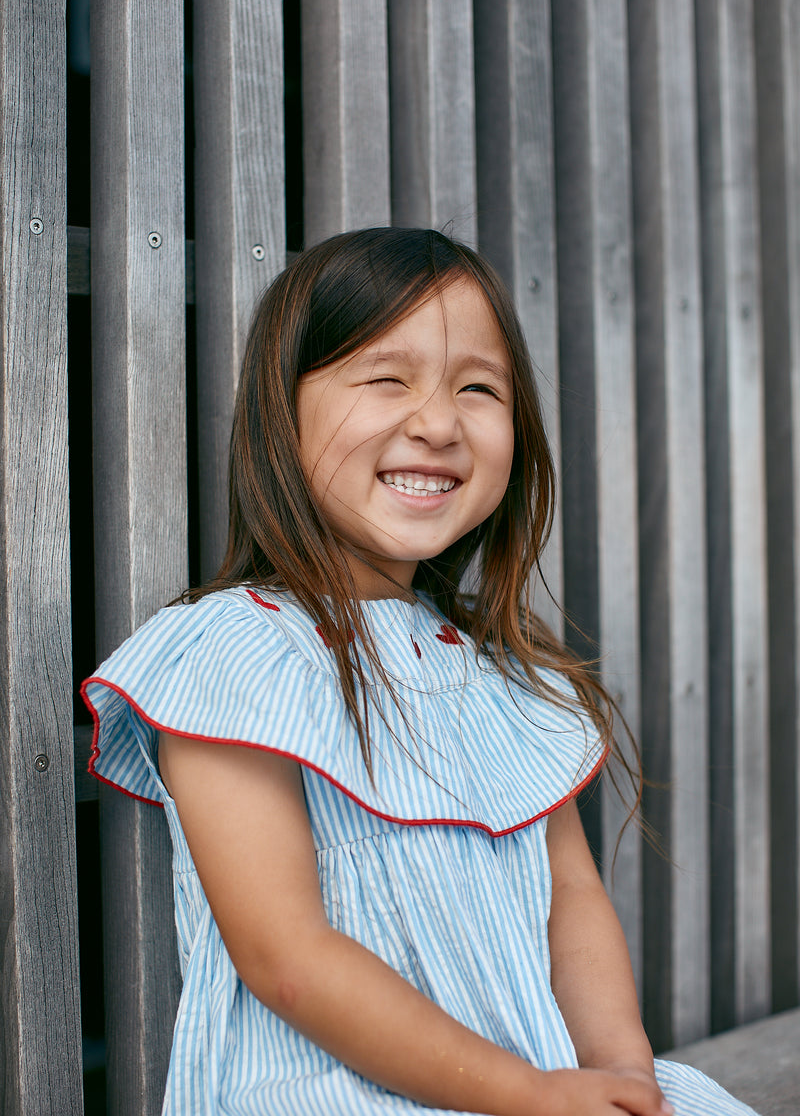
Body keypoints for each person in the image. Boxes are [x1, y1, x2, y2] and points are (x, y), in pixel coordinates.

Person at [83, 228, 757, 1116]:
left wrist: (622, 1074)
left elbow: (572, 903)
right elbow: (286, 957)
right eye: (386, 378)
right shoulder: (233, 652)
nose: (437, 422)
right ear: (283, 415)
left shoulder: (507, 678)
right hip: (335, 1093)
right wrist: (528, 1094)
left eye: (478, 388)